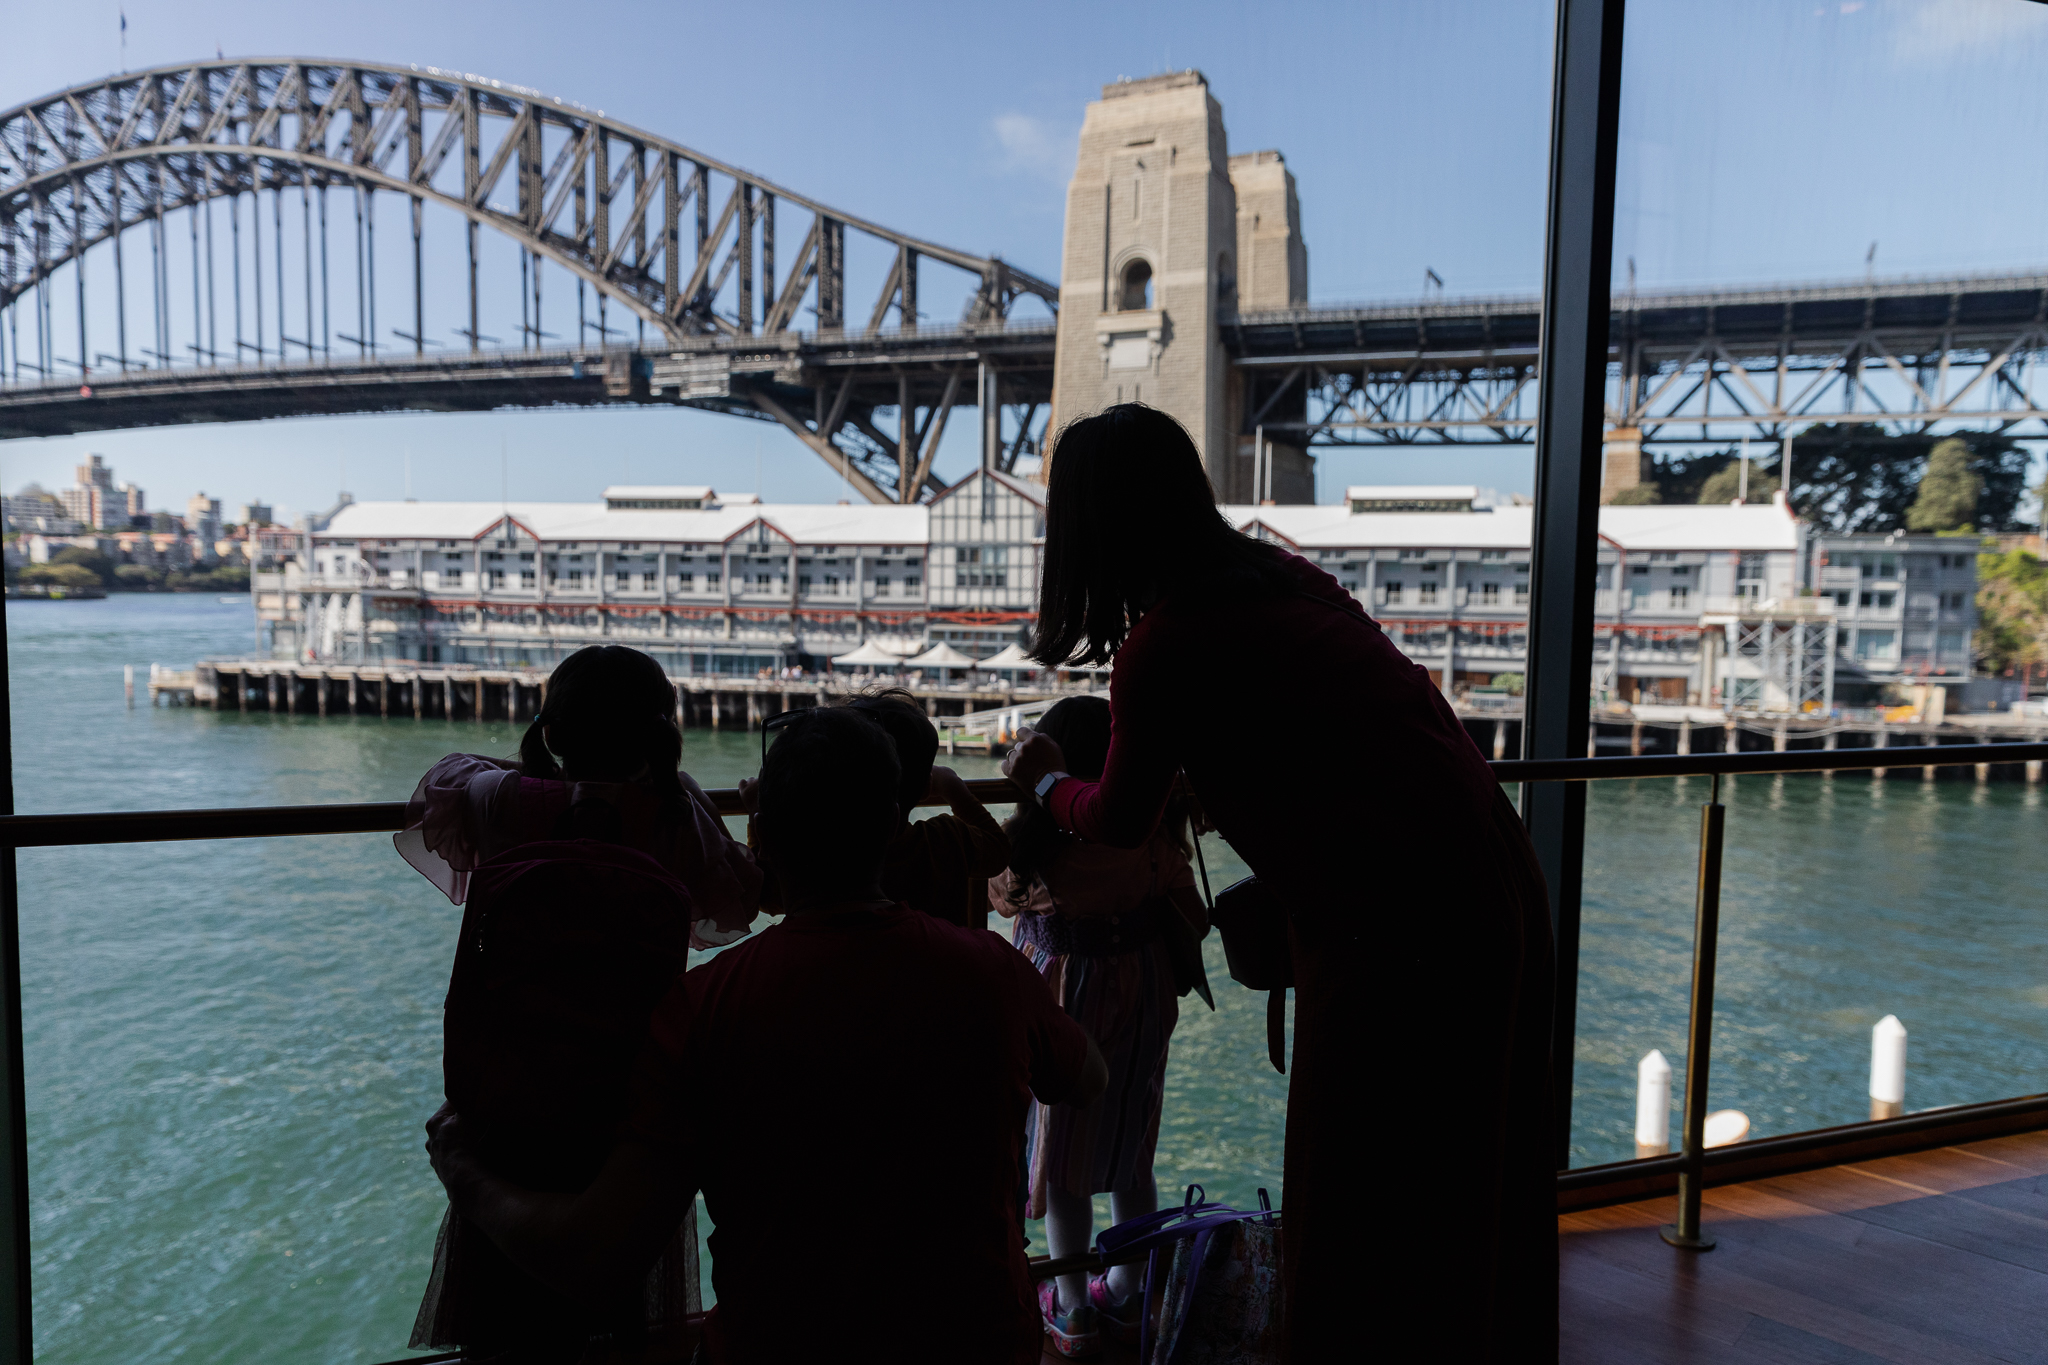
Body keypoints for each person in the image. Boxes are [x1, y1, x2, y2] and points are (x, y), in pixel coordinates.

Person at [1001, 405, 1556, 1363]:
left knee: (1355, 1181)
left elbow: (1116, 817)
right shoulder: (1283, 579)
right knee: (1463, 1169)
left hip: (1392, 924)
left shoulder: (1164, 646)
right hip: (1489, 873)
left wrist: (1045, 777)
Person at [426, 705, 1109, 1365]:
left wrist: (464, 1171)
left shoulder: (705, 1005)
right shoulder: (992, 971)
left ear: (764, 838)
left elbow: (596, 1252)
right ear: (891, 825)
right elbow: (1087, 1078)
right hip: (982, 1342)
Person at [397, 645, 761, 1360]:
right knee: (622, 1302)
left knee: (503, 1308)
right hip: (627, 1099)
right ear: (660, 734)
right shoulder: (677, 813)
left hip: (508, 1104)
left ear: (552, 732)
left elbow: (443, 788)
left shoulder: (501, 800)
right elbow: (734, 904)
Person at [989, 695, 1207, 1357]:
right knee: (1131, 1147)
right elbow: (1192, 914)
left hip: (1061, 999)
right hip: (1140, 997)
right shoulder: (1149, 839)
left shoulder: (1037, 847)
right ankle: (1130, 1287)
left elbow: (999, 892)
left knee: (1061, 1161)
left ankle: (1074, 1304)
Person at [846, 687, 1011, 928]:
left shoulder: (822, 854)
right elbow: (998, 852)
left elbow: (771, 896)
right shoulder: (945, 839)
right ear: (925, 789)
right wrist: (955, 790)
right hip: (939, 962)